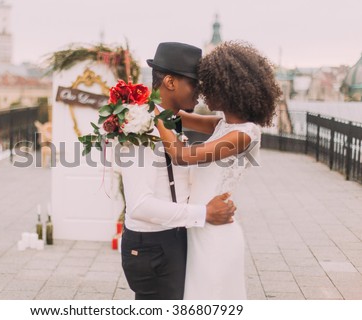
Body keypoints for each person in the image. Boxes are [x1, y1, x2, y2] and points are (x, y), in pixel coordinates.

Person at [154, 41, 282, 299]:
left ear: (228, 88)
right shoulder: (222, 123)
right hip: (201, 223)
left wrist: (153, 119)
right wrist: (143, 105)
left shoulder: (244, 134)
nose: (201, 94)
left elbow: (181, 156)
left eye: (208, 86)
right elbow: (176, 117)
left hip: (216, 235)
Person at [120, 42, 236, 300]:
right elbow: (140, 206)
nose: (200, 93)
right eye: (195, 83)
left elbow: (220, 125)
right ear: (170, 82)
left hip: (172, 238)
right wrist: (204, 213)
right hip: (152, 247)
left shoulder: (170, 118)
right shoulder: (139, 126)